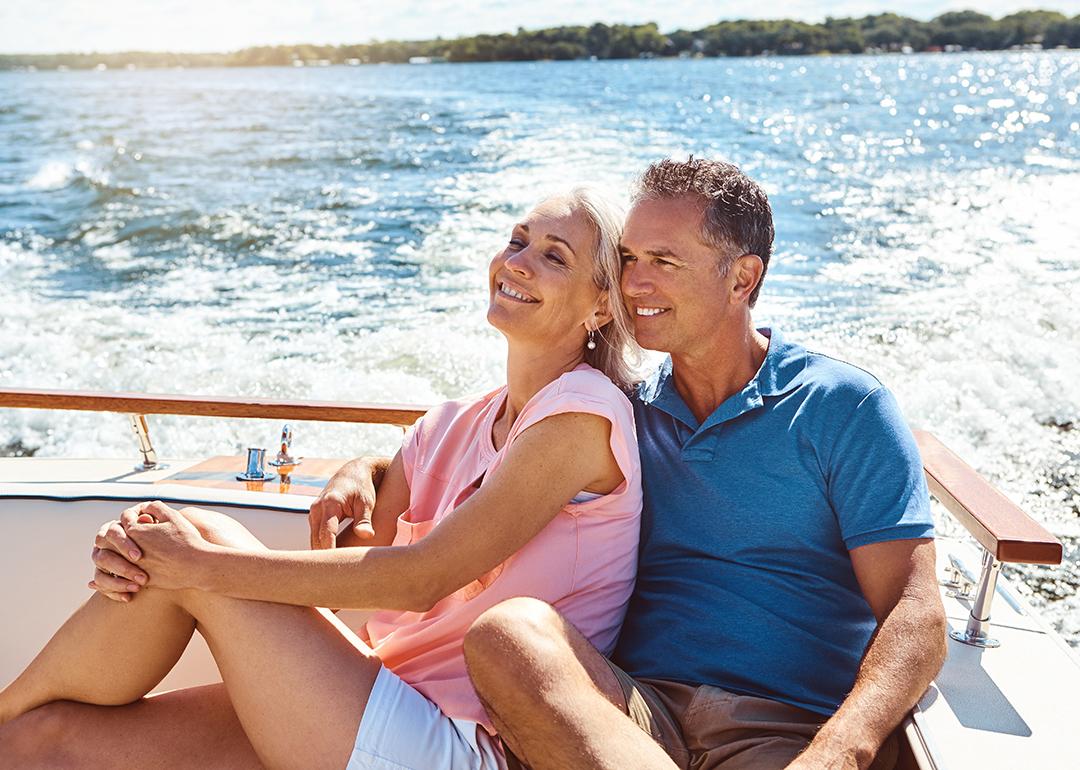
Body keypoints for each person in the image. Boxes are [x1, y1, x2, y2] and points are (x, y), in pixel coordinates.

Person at [318, 158, 949, 770]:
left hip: (779, 729)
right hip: (630, 712)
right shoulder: (621, 413)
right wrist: (371, 469)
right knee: (507, 636)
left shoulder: (842, 407)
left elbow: (917, 613)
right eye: (628, 259)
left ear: (742, 278)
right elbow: (499, 458)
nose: (634, 284)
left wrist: (839, 752)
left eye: (664, 262)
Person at [0, 189, 644, 770]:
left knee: (199, 538)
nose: (518, 262)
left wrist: (196, 564)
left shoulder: (581, 415)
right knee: (38, 741)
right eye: (517, 240)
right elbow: (362, 546)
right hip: (380, 690)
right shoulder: (453, 422)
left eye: (554, 257)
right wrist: (360, 468)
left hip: (462, 742)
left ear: (600, 306)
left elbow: (422, 577)